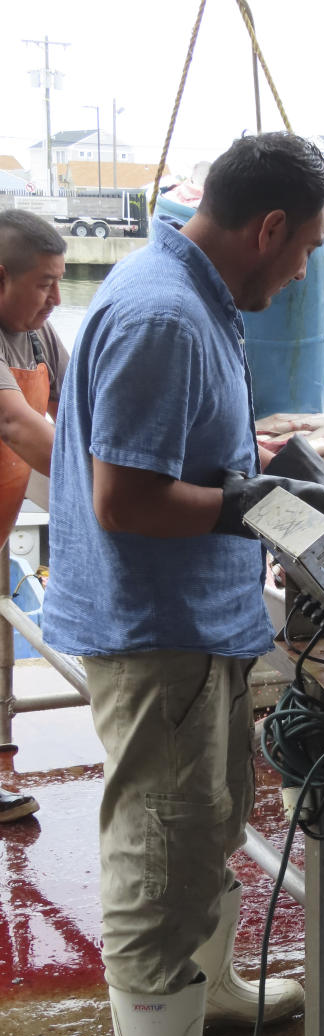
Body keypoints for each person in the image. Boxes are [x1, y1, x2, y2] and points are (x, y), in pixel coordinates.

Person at [42, 133, 324, 1036]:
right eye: (309, 247)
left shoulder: (195, 296)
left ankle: (214, 987)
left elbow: (194, 450)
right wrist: (255, 506)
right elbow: (128, 498)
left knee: (210, 816)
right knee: (160, 840)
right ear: (270, 226)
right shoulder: (161, 313)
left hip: (206, 618)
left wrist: (284, 466)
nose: (305, 268)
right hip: (158, 631)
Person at [0, 210, 68, 823]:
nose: (55, 298)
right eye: (43, 283)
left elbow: (84, 405)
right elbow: (16, 423)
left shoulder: (42, 338)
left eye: (61, 281)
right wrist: (113, 482)